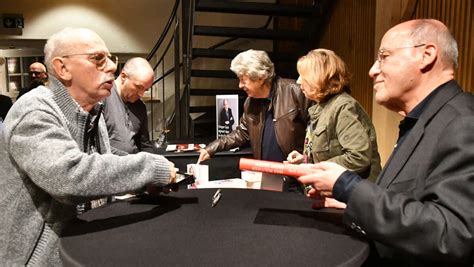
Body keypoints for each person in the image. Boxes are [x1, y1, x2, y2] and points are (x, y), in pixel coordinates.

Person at [297, 19, 474, 265]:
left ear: (427, 55)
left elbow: (452, 235)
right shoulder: (426, 120)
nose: (372, 70)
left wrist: (349, 187)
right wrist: (354, 202)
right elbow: (411, 199)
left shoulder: (463, 123)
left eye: (384, 56)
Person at [0, 27, 176, 266]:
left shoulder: (95, 112)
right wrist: (151, 168)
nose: (113, 67)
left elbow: (104, 158)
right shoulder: (33, 110)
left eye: (110, 58)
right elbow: (70, 175)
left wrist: (145, 182)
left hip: (79, 246)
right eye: (98, 59)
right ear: (63, 68)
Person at [287, 49, 381, 209]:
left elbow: (358, 156)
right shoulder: (322, 107)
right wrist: (305, 158)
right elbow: (330, 149)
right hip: (330, 198)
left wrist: (314, 168)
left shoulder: (343, 107)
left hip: (350, 202)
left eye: (303, 76)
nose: (298, 82)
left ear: (319, 77)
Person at [198, 49, 311, 164]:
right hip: (267, 173)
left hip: (296, 173)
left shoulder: (296, 91)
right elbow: (241, 133)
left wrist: (305, 158)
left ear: (260, 78)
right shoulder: (250, 102)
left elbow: (315, 131)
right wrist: (211, 148)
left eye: (243, 80)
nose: (240, 85)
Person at [102, 57, 157, 155]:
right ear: (123, 76)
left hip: (135, 166)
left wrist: (153, 163)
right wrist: (134, 161)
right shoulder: (103, 98)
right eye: (139, 87)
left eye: (146, 89)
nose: (141, 94)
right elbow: (99, 147)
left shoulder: (140, 107)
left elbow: (144, 145)